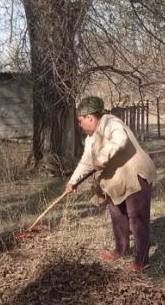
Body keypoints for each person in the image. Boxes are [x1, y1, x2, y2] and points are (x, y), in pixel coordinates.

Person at [64, 94, 156, 269]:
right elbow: (85, 162)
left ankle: (141, 260)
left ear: (89, 117)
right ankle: (121, 250)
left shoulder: (111, 122)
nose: (80, 125)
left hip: (136, 176)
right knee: (116, 214)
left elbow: (120, 139)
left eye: (80, 121)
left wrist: (103, 156)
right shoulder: (91, 139)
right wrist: (72, 182)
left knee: (137, 218)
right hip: (117, 181)